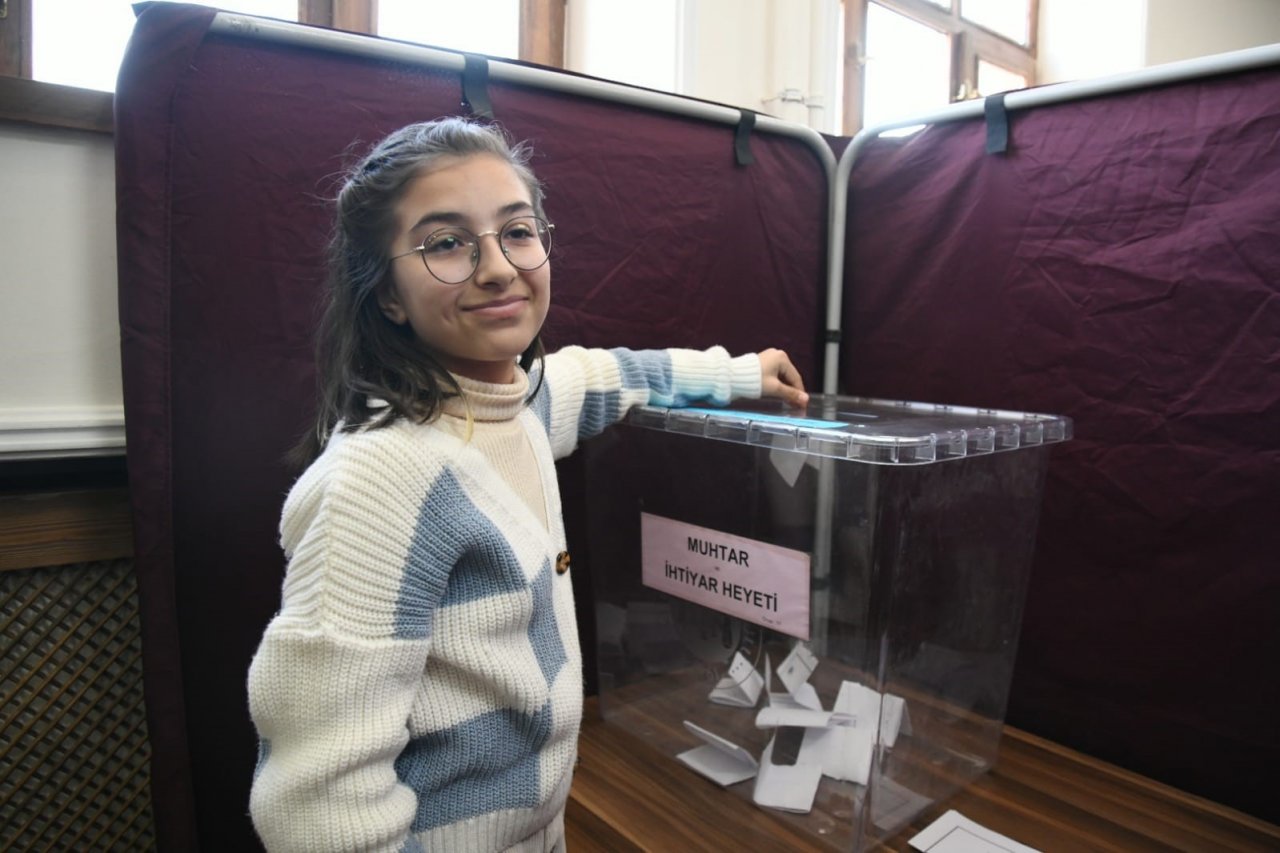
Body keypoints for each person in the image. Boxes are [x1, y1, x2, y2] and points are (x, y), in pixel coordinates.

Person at [247, 116, 808, 852]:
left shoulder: (523, 401)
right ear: (384, 293)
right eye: (446, 242)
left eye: (517, 231)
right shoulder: (377, 483)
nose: (498, 268)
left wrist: (739, 373)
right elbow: (319, 807)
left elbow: (609, 375)